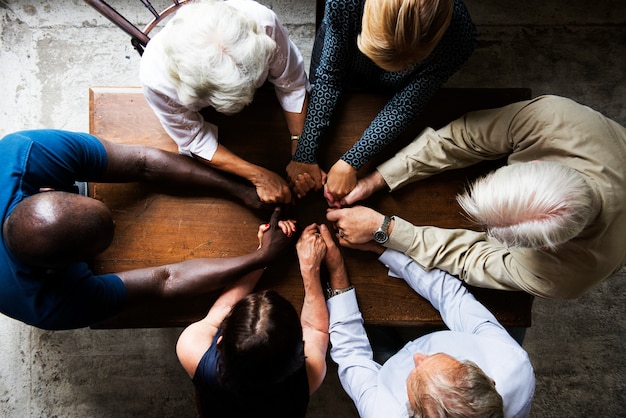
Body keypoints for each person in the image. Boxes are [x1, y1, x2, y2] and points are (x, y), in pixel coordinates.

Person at [326, 95, 626, 299]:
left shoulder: (564, 278)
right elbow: (463, 138)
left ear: (549, 248)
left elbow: (471, 259)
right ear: (535, 163)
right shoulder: (555, 117)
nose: (487, 233)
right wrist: (379, 178)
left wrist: (386, 230)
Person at [0, 129, 294, 330]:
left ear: (46, 189)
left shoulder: (26, 152)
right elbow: (164, 281)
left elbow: (142, 162)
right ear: (62, 269)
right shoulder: (46, 305)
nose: (117, 222)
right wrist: (260, 257)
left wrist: (239, 190)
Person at [286, 0, 476, 205]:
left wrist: (351, 161)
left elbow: (404, 106)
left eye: (408, 63)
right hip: (345, 53)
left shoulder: (460, 36)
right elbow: (330, 76)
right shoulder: (343, 3)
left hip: (394, 86)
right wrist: (305, 152)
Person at [325, 236, 535, 418]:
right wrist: (383, 247)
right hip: (447, 329)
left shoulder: (384, 411)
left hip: (386, 365)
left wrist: (336, 273)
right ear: (490, 380)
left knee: (373, 331)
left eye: (413, 377)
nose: (417, 356)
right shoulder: (511, 363)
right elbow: (453, 299)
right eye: (453, 361)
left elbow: (352, 356)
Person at [140, 0, 310, 205]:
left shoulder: (262, 22)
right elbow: (194, 139)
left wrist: (302, 151)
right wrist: (258, 176)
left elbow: (292, 84)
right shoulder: (156, 79)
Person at [176, 223, 331, 417]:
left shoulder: (190, 349)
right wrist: (310, 268)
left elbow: (221, 310)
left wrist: (264, 254)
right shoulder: (311, 375)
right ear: (299, 351)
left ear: (220, 342)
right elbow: (315, 329)